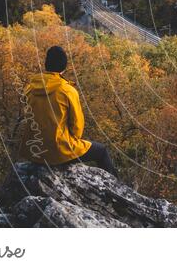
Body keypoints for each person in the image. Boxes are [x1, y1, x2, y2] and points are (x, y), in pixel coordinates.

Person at [19, 45, 118, 177]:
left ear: (46, 65)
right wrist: (71, 141)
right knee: (101, 151)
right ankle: (114, 190)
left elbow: (28, 117)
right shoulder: (67, 90)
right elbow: (77, 127)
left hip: (34, 151)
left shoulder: (30, 88)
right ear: (64, 67)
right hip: (57, 152)